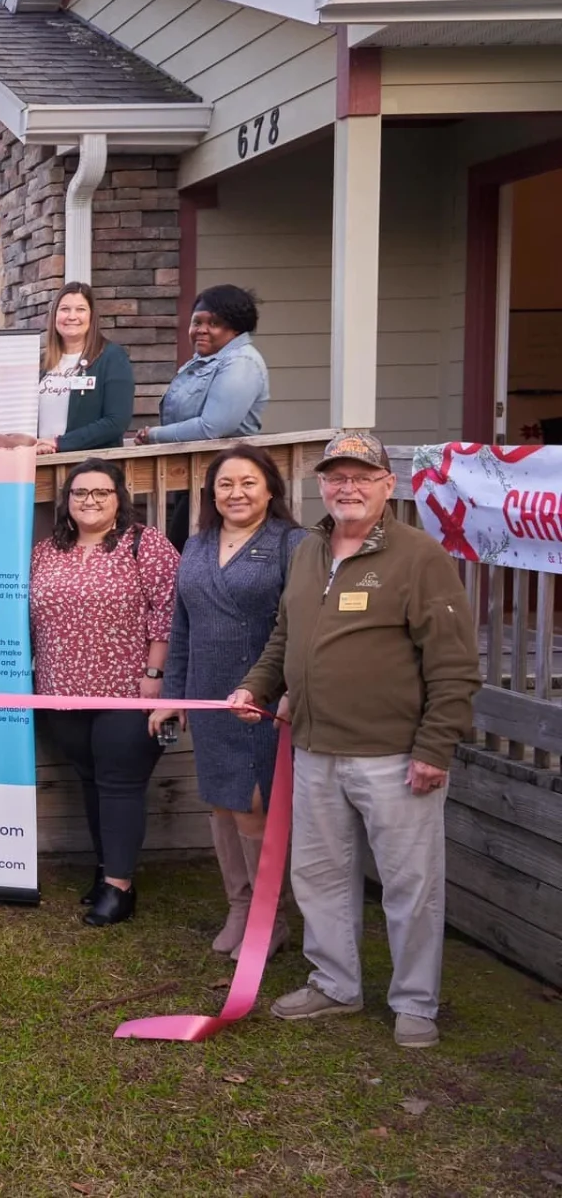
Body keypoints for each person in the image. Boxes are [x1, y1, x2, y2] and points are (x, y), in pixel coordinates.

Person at [229, 431, 479, 1049]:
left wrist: (434, 748)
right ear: (321, 485)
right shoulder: (307, 552)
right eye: (337, 477)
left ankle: (415, 1002)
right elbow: (285, 636)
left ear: (388, 486)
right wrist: (256, 686)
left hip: (395, 756)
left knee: (410, 885)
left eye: (363, 477)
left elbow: (453, 665)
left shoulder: (419, 557)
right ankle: (335, 984)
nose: (349, 488)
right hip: (314, 749)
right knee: (319, 875)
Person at [148, 446, 302, 959]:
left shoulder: (292, 544)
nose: (237, 493)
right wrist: (173, 697)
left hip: (261, 700)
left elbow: (301, 626)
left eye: (248, 482)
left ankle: (270, 917)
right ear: (211, 493)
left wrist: (287, 690)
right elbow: (182, 627)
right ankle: (240, 906)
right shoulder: (196, 545)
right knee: (221, 801)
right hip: (209, 698)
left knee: (254, 803)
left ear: (271, 489)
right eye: (225, 484)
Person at [30, 458, 179, 927]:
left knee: (119, 782)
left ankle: (119, 887)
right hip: (61, 691)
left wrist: (156, 673)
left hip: (127, 689)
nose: (89, 500)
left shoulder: (144, 544)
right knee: (91, 779)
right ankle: (105, 869)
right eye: (80, 492)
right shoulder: (46, 551)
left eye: (101, 492)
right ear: (67, 501)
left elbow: (169, 610)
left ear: (119, 499)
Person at [138, 284, 269, 447]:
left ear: (237, 327)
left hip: (226, 460)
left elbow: (211, 427)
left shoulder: (242, 362)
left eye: (214, 323)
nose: (201, 330)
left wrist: (153, 435)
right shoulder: (204, 361)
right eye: (196, 322)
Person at [33, 282, 135, 454]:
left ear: (91, 316)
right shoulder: (42, 363)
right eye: (65, 309)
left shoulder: (112, 357)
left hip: (90, 465)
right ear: (54, 315)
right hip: (43, 463)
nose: (72, 316)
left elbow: (116, 421)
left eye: (80, 309)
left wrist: (60, 443)